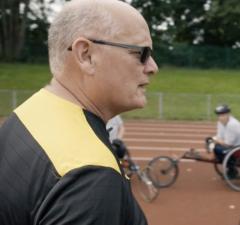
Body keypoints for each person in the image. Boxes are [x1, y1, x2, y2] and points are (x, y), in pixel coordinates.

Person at [0, 0, 158, 224]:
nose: (153, 67)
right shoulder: (90, 174)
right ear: (86, 55)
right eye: (141, 53)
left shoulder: (31, 111)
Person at [211, 104, 240, 178]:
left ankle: (232, 170)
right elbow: (219, 136)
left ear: (228, 114)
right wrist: (214, 140)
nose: (220, 117)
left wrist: (215, 140)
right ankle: (227, 165)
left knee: (218, 148)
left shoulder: (232, 124)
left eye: (223, 115)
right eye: (219, 115)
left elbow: (228, 143)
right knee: (215, 146)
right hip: (236, 147)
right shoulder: (220, 123)